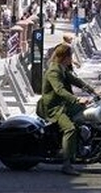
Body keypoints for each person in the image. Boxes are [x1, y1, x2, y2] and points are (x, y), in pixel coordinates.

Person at [36, 44, 97, 176]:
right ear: (64, 57)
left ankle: (79, 146)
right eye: (70, 55)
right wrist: (76, 99)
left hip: (62, 104)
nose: (72, 58)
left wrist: (94, 91)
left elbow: (77, 81)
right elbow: (59, 90)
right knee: (70, 128)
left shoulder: (61, 69)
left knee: (85, 114)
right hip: (53, 107)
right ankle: (67, 164)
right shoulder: (54, 71)